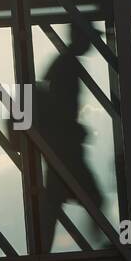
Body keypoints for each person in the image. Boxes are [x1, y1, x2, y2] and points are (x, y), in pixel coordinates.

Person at [37, 22, 104, 249]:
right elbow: (61, 107)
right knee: (92, 197)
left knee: (54, 202)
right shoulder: (68, 65)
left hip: (60, 144)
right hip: (65, 146)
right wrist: (74, 129)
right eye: (90, 39)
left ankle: (41, 254)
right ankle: (107, 248)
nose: (92, 44)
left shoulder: (63, 63)